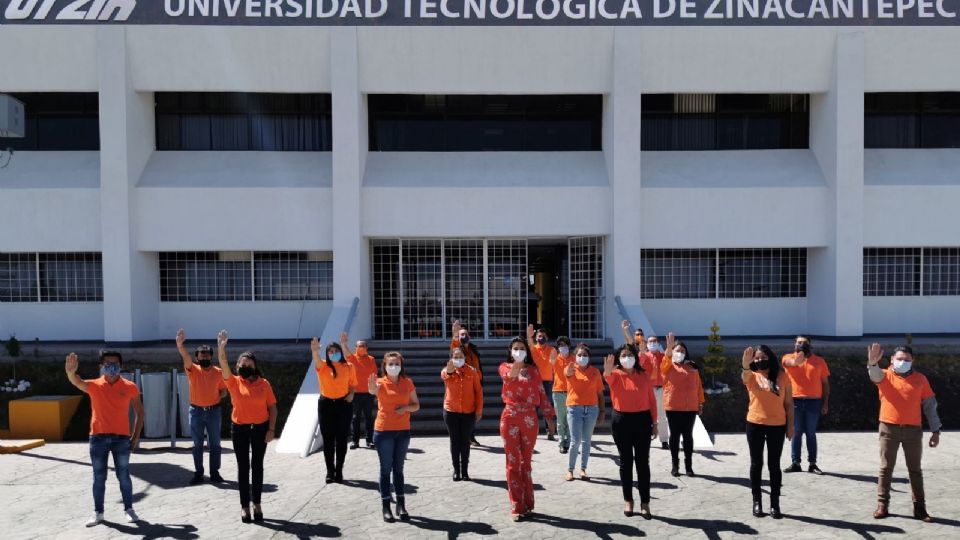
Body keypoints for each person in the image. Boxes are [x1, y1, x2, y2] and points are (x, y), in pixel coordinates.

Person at [65, 350, 144, 527]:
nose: (111, 367)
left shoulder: (130, 386)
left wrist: (135, 438)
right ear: (101, 366)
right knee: (99, 477)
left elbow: (140, 413)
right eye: (107, 364)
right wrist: (70, 372)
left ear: (121, 366)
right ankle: (98, 513)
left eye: (115, 363)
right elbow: (77, 382)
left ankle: (129, 509)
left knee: (124, 476)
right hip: (98, 439)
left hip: (121, 439)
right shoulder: (94, 385)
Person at [867, 344, 941, 522]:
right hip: (888, 428)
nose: (903, 362)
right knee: (886, 468)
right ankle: (882, 505)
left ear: (913, 361)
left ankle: (920, 508)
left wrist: (935, 430)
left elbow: (930, 406)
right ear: (892, 359)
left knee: (915, 470)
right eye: (899, 359)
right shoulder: (884, 375)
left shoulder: (920, 379)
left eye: (907, 360)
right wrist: (872, 363)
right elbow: (874, 374)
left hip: (913, 431)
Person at [217, 330, 278, 524]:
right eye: (241, 365)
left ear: (254, 366)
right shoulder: (234, 382)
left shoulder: (264, 384)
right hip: (240, 429)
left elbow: (273, 408)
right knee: (243, 468)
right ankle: (245, 507)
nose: (244, 367)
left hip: (260, 428)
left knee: (257, 466)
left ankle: (257, 504)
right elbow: (223, 365)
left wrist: (271, 430)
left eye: (248, 364)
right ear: (237, 366)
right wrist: (221, 348)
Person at [499, 337, 556, 521]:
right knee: (513, 462)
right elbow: (510, 377)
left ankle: (528, 503)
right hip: (510, 417)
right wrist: (517, 363)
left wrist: (549, 416)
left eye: (522, 348)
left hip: (530, 418)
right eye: (515, 348)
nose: (518, 351)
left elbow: (541, 393)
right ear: (510, 351)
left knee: (526, 463)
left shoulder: (533, 371)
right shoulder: (504, 367)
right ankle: (516, 505)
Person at [604, 344, 658, 519]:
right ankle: (628, 499)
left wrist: (655, 422)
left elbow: (651, 400)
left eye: (629, 354)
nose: (627, 358)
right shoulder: (616, 375)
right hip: (621, 421)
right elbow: (607, 378)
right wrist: (607, 370)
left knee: (643, 463)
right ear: (619, 359)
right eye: (623, 355)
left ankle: (645, 502)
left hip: (642, 421)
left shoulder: (643, 376)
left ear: (635, 356)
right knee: (625, 462)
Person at [741, 345, 793, 519]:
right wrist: (746, 365)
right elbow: (744, 375)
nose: (759, 360)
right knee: (756, 464)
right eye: (756, 358)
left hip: (777, 425)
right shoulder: (752, 376)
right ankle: (757, 501)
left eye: (762, 357)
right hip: (755, 424)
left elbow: (789, 404)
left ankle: (775, 503)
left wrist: (790, 427)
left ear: (770, 357)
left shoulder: (783, 377)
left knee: (774, 465)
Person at [368, 352, 420, 523]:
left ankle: (401, 504)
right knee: (385, 469)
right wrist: (371, 387)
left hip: (403, 431)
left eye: (396, 363)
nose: (393, 366)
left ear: (401, 365)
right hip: (384, 432)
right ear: (385, 366)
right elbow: (372, 391)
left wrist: (405, 408)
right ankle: (386, 507)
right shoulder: (380, 382)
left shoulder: (407, 382)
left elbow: (416, 405)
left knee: (399, 469)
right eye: (390, 364)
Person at [176, 329, 227, 485]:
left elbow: (224, 391)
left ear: (211, 356)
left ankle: (214, 472)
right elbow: (185, 357)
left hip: (213, 411)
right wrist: (180, 345)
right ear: (197, 357)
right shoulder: (193, 370)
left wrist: (217, 396)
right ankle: (198, 473)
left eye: (207, 354)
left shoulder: (218, 372)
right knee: (197, 445)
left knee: (215, 444)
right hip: (196, 411)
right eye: (201, 354)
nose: (204, 356)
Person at [782, 335, 830, 475]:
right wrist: (797, 360)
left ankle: (812, 464)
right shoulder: (787, 357)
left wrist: (825, 402)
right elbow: (790, 363)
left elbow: (825, 383)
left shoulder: (819, 361)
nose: (801, 344)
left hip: (813, 402)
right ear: (794, 344)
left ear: (810, 345)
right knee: (795, 433)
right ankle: (795, 462)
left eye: (804, 343)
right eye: (799, 342)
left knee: (811, 433)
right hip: (794, 401)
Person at [311, 338, 357, 483]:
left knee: (342, 439)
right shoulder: (323, 366)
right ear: (327, 354)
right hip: (326, 405)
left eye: (336, 351)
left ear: (340, 353)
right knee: (328, 439)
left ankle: (339, 470)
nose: (333, 353)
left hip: (343, 404)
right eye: (330, 352)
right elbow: (317, 359)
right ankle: (330, 471)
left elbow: (353, 384)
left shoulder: (349, 366)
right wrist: (315, 351)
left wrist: (351, 394)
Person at [662, 333, 706, 477]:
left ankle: (689, 466)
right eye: (677, 351)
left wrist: (700, 402)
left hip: (690, 407)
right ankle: (675, 465)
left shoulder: (692, 366)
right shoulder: (668, 365)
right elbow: (664, 362)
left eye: (682, 351)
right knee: (674, 436)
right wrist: (669, 348)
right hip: (673, 406)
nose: (680, 353)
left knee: (688, 436)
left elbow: (698, 386)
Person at [622, 321, 668, 449]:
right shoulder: (641, 355)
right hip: (646, 390)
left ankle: (664, 440)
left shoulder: (662, 356)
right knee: (645, 416)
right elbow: (637, 365)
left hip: (660, 389)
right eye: (637, 334)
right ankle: (646, 438)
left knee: (662, 416)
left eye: (655, 341)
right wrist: (626, 330)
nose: (639, 336)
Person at [564, 343, 605, 482]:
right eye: (579, 355)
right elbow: (567, 374)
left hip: (592, 409)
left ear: (589, 357)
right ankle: (570, 470)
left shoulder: (595, 372)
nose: (582, 357)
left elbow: (600, 393)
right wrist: (569, 371)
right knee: (575, 441)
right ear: (575, 356)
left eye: (585, 355)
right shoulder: (570, 369)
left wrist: (602, 411)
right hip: (575, 408)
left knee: (586, 441)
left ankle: (583, 469)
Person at [441, 347, 483, 481]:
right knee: (454, 441)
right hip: (451, 411)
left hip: (468, 412)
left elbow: (478, 392)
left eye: (460, 357)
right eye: (455, 356)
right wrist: (449, 371)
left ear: (465, 358)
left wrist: (479, 410)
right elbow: (445, 376)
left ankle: (465, 470)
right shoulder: (447, 371)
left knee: (465, 441)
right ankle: (456, 470)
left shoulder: (472, 371)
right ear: (451, 358)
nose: (458, 359)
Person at [340, 331, 377, 449]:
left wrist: (375, 391)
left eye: (363, 346)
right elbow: (346, 352)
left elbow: (374, 375)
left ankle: (369, 441)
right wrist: (343, 343)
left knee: (368, 418)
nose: (361, 348)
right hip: (355, 393)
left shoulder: (371, 359)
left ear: (366, 348)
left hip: (368, 393)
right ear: (355, 348)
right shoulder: (352, 358)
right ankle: (355, 441)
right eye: (359, 346)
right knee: (355, 418)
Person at [452, 319, 483, 447]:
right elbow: (454, 347)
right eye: (461, 335)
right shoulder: (457, 349)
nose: (464, 337)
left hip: (476, 383)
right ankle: (466, 437)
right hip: (463, 384)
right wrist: (455, 334)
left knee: (473, 412)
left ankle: (471, 436)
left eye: (466, 334)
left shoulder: (473, 349)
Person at [527, 324, 558, 440]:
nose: (541, 338)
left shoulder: (552, 350)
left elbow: (555, 364)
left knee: (547, 407)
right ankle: (532, 431)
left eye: (543, 336)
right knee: (533, 407)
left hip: (548, 382)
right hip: (534, 381)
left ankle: (549, 431)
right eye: (539, 336)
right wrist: (529, 336)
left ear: (547, 338)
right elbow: (529, 343)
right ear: (536, 338)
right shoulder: (533, 348)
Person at [550, 336, 575, 454]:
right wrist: (552, 359)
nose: (562, 347)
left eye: (564, 345)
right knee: (560, 420)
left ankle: (569, 442)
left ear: (569, 346)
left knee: (570, 419)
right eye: (560, 345)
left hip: (572, 392)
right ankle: (561, 443)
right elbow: (551, 363)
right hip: (558, 392)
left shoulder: (574, 359)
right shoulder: (555, 358)